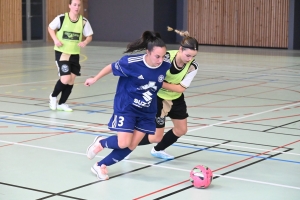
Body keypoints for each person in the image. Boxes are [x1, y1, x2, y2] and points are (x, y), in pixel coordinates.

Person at [85, 31, 171, 180]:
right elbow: (111, 67)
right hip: (127, 107)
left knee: (131, 146)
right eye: (157, 56)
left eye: (163, 56)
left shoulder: (165, 65)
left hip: (147, 112)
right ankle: (101, 142)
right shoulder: (131, 63)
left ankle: (100, 165)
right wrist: (95, 78)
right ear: (148, 52)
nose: (160, 60)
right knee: (123, 143)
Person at [130, 26, 199, 160]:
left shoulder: (193, 66)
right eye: (188, 55)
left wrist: (160, 82)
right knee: (156, 136)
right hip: (158, 98)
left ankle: (158, 150)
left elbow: (180, 89)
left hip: (176, 98)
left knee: (181, 130)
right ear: (180, 49)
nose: (190, 58)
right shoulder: (165, 58)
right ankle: (127, 144)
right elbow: (150, 73)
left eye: (193, 56)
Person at [48, 0, 93, 112]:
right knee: (65, 78)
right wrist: (55, 39)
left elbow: (89, 36)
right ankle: (53, 96)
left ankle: (62, 103)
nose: (77, 7)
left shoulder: (83, 21)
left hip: (74, 54)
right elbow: (50, 28)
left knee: (71, 80)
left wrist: (85, 42)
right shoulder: (62, 18)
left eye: (79, 5)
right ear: (69, 6)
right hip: (62, 53)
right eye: (74, 5)